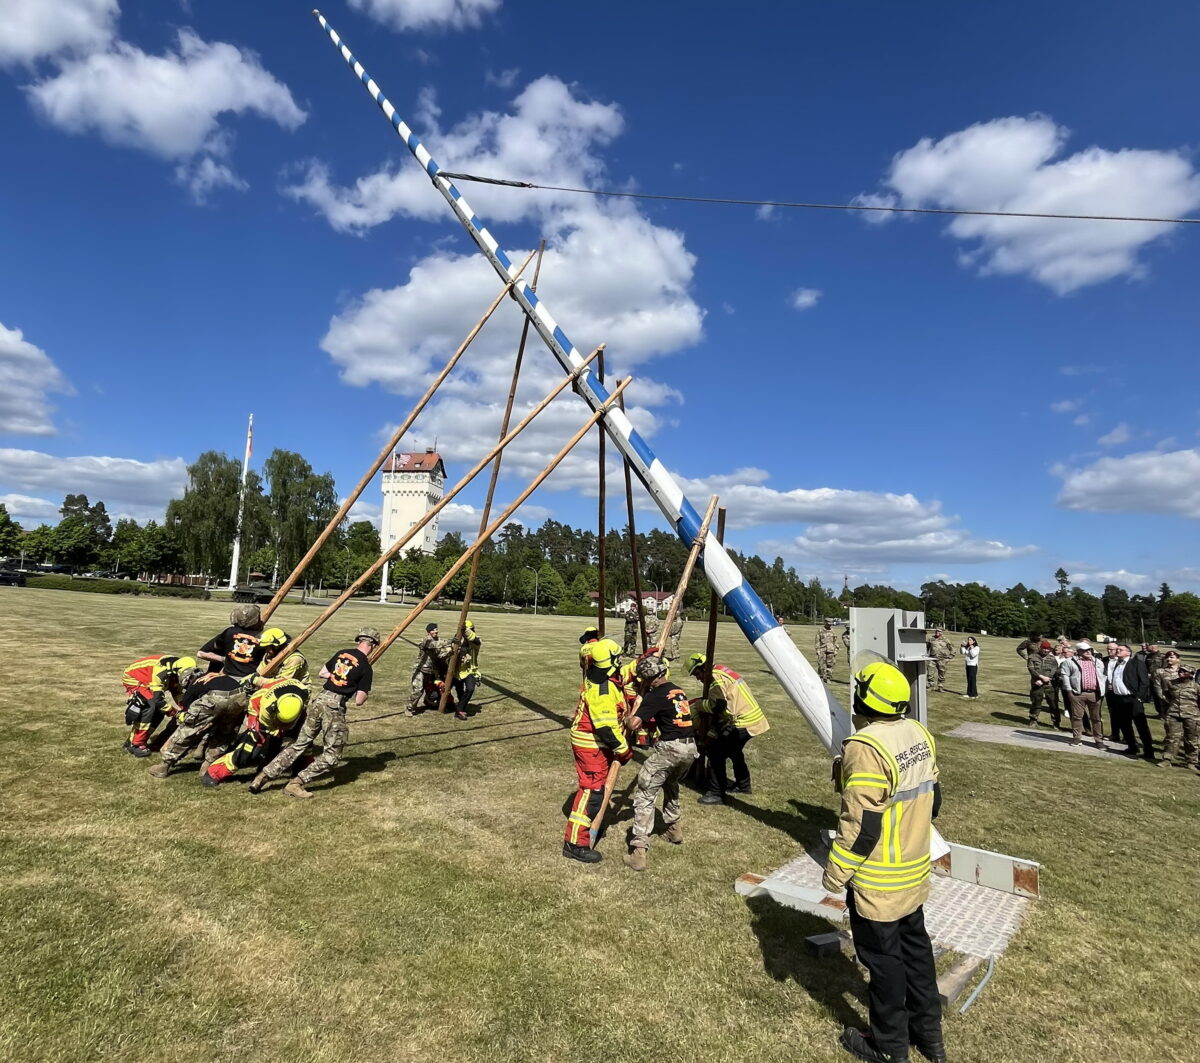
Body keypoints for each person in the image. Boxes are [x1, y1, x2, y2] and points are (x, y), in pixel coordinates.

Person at [823, 660, 944, 1063]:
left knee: (884, 962)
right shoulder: (918, 733)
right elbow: (935, 801)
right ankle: (929, 1038)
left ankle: (889, 1046)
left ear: (863, 699)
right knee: (917, 951)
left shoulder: (866, 747)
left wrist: (836, 873)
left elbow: (862, 824)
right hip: (914, 871)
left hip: (879, 879)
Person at [252, 627, 379, 798]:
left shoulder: (341, 653)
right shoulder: (365, 667)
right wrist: (355, 685)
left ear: (359, 640)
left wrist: (337, 677)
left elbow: (323, 673)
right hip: (334, 707)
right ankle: (296, 783)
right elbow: (359, 700)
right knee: (332, 755)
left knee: (300, 744)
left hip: (318, 700)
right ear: (373, 645)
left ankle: (262, 776)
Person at [622, 655, 698, 871]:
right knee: (671, 785)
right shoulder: (677, 690)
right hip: (690, 749)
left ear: (647, 678)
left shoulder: (655, 695)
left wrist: (627, 716)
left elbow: (634, 724)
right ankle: (674, 830)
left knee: (645, 792)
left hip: (670, 749)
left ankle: (638, 851)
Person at [564, 626, 631, 863]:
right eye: (617, 659)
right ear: (610, 662)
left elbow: (624, 676)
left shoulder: (598, 675)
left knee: (595, 790)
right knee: (591, 792)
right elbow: (606, 728)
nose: (620, 662)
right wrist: (623, 749)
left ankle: (586, 828)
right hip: (591, 745)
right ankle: (575, 843)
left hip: (594, 743)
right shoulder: (603, 690)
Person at [686, 653, 769, 804]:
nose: (697, 678)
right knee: (734, 751)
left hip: (742, 722)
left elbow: (718, 705)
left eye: (697, 674)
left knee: (715, 753)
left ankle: (716, 793)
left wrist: (699, 704)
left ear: (704, 668)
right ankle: (743, 785)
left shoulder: (714, 679)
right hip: (753, 718)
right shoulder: (720, 670)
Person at [202, 678, 309, 788]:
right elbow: (272, 729)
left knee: (301, 739)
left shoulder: (304, 693)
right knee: (249, 749)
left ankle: (299, 768)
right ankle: (214, 773)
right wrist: (275, 731)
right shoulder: (267, 707)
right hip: (257, 707)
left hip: (284, 704)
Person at [147, 672, 247, 779]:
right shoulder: (214, 676)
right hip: (240, 697)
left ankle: (164, 766)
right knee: (225, 733)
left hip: (215, 698)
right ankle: (208, 766)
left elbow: (187, 713)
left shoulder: (193, 685)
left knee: (188, 730)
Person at [120, 654, 199, 756]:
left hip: (148, 677)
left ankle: (132, 741)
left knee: (159, 712)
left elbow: (178, 694)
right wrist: (175, 713)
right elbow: (157, 699)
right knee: (148, 706)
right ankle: (136, 744)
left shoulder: (177, 669)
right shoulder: (160, 672)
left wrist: (186, 709)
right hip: (134, 678)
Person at [1105, 643, 1154, 760]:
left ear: (1128, 652)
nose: (1117, 651)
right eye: (1117, 649)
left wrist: (1139, 697)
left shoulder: (1136, 663)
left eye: (1120, 650)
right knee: (1124, 725)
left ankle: (1148, 750)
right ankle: (1132, 747)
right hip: (1119, 699)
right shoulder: (1117, 664)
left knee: (1141, 725)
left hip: (1133, 698)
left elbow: (1144, 682)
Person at [196, 604, 268, 680]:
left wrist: (224, 659)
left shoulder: (229, 632)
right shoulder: (264, 637)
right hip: (250, 679)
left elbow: (201, 653)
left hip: (228, 678)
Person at [1059, 641, 1106, 749]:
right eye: (1085, 650)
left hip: (1095, 693)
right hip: (1078, 694)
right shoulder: (1069, 662)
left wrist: (1102, 691)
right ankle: (1077, 738)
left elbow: (1103, 676)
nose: (1088, 652)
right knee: (1077, 717)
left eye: (1089, 650)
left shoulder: (1098, 662)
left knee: (1096, 718)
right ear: (1078, 651)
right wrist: (1069, 692)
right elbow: (1065, 677)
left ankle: (1099, 740)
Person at [1157, 656, 1198, 770]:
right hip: (1174, 714)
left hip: (1191, 715)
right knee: (1172, 737)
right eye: (1180, 671)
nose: (1181, 673)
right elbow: (1166, 696)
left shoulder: (1196, 686)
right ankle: (1167, 759)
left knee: (1192, 739)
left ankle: (1191, 762)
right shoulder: (1171, 684)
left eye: (1184, 671)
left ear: (1191, 674)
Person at [407, 622, 443, 716]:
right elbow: (434, 645)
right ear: (428, 632)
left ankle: (428, 701)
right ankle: (410, 708)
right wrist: (450, 642)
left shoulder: (439, 640)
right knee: (418, 690)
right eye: (433, 630)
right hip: (420, 669)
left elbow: (441, 654)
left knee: (432, 690)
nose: (435, 631)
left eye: (436, 629)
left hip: (431, 671)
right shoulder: (426, 640)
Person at [450, 619, 482, 720]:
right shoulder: (458, 640)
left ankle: (459, 709)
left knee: (470, 689)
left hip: (469, 671)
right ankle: (449, 704)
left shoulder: (476, 642)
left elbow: (474, 639)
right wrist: (453, 644)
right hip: (456, 672)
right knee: (451, 690)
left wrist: (465, 630)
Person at [1027, 642, 1061, 727]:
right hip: (1036, 683)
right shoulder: (1032, 657)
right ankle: (1033, 720)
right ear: (1040, 648)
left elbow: (1054, 670)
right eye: (1044, 648)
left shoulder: (1052, 659)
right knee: (1036, 702)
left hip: (1049, 684)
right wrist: (1040, 677)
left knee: (1053, 703)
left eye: (1047, 649)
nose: (1046, 650)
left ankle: (1056, 722)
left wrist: (1047, 678)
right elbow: (1031, 669)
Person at [815, 618, 841, 683]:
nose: (829, 625)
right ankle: (821, 677)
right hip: (822, 649)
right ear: (825, 623)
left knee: (830, 664)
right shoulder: (820, 630)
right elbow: (817, 640)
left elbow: (835, 641)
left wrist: (836, 649)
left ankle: (828, 677)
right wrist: (817, 649)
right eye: (828, 624)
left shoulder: (833, 631)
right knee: (821, 664)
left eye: (830, 624)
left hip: (831, 650)